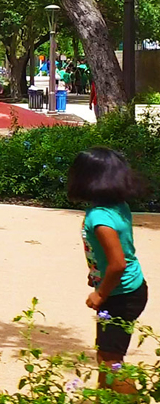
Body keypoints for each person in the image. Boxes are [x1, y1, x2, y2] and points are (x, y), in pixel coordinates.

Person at [67, 148, 148, 392]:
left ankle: (128, 399)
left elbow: (118, 263)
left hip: (120, 295)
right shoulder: (117, 206)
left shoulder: (99, 218)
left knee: (111, 362)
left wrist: (101, 293)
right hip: (128, 290)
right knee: (106, 357)